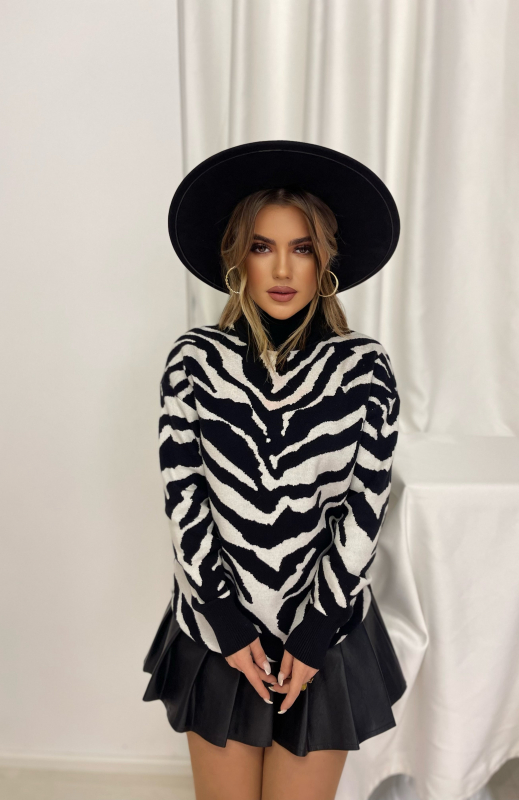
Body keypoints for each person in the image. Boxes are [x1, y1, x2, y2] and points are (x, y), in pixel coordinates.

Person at [142, 140, 407, 800]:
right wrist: (228, 626)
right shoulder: (194, 362)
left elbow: (364, 513)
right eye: (263, 247)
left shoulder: (363, 369)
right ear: (238, 258)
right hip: (217, 630)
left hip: (325, 636)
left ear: (326, 261)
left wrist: (314, 636)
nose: (283, 268)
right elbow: (184, 502)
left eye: (303, 248)